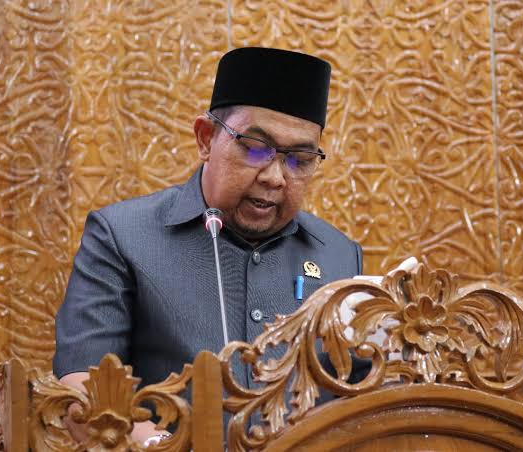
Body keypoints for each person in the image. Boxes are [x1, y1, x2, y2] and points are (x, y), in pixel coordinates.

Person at [53, 47, 363, 445]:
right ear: (205, 139)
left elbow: (364, 397)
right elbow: (82, 387)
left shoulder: (338, 254)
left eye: (299, 159)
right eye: (255, 147)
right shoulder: (122, 236)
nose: (274, 177)